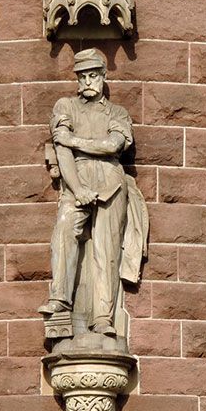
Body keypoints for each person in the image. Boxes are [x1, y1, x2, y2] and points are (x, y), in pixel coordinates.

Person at [38, 48, 145, 337]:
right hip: (77, 182)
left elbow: (113, 146)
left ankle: (103, 318)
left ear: (102, 76)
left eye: (93, 75)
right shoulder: (65, 107)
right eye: (83, 76)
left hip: (111, 184)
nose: (88, 81)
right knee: (63, 231)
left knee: (106, 251)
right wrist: (78, 188)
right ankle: (60, 299)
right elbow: (62, 152)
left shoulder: (117, 112)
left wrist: (74, 139)